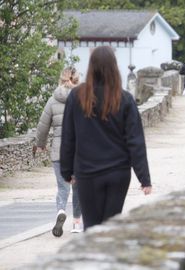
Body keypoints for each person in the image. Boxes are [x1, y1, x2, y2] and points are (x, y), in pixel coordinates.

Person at [60, 46, 152, 231]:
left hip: (87, 172)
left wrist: (66, 170)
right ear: (114, 67)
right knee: (111, 227)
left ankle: (92, 259)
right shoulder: (124, 99)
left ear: (91, 67)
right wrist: (144, 179)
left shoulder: (77, 97)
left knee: (92, 227)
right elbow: (135, 142)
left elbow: (68, 137)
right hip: (117, 172)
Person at [34, 67, 83, 237]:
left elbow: (42, 126)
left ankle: (61, 211)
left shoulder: (52, 100)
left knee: (63, 188)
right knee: (77, 188)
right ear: (77, 80)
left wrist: (40, 144)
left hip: (58, 152)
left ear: (60, 79)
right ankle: (77, 223)